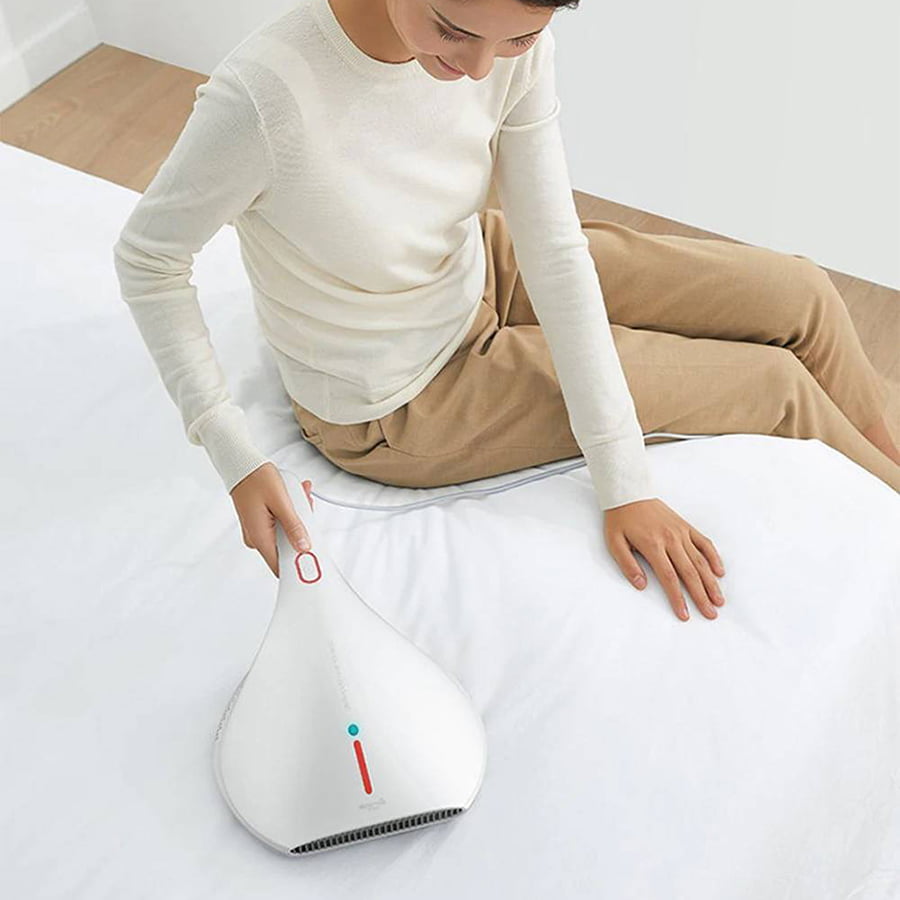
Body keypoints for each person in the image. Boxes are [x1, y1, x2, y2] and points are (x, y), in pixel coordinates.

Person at [113, 0, 900, 623]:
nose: (479, 67)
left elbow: (554, 249)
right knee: (774, 387)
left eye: (520, 38)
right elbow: (149, 258)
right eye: (452, 30)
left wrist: (618, 470)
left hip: (480, 263)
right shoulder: (265, 97)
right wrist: (233, 453)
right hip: (400, 396)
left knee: (800, 292)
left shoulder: (502, 45)